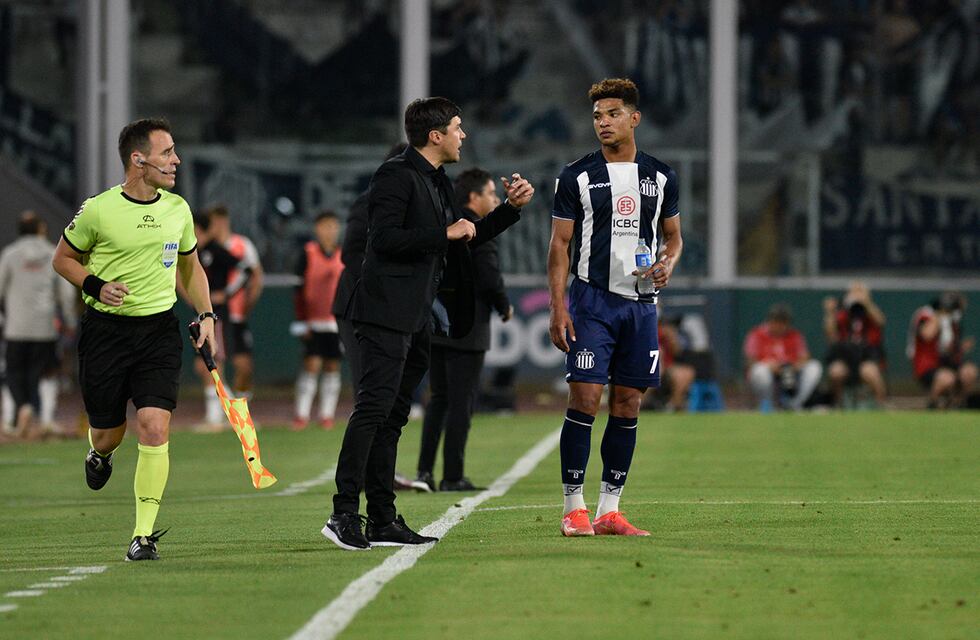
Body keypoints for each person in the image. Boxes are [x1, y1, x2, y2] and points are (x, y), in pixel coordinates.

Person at [324, 97, 534, 551]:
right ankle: (343, 513)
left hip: (417, 316)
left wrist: (509, 210)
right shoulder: (395, 175)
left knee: (393, 417)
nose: (464, 135)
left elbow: (466, 237)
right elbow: (384, 240)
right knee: (373, 410)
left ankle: (382, 518)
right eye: (457, 127)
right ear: (435, 135)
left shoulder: (437, 180)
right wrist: (444, 233)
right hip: (384, 313)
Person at [52, 118, 216, 561]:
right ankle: (99, 453)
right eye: (167, 153)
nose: (176, 160)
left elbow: (190, 268)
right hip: (105, 334)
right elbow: (62, 259)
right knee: (108, 434)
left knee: (155, 426)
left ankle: (142, 536)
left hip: (159, 332)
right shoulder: (98, 210)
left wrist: (206, 314)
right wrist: (95, 285)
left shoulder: (178, 209)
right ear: (138, 160)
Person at [548, 78, 682, 538]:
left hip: (641, 306)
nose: (603, 123)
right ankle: (573, 508)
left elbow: (673, 238)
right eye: (597, 116)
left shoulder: (661, 177)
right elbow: (559, 245)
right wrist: (558, 306)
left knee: (628, 403)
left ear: (634, 118)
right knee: (586, 396)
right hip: (592, 301)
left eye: (612, 114)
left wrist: (667, 264)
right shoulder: (577, 176)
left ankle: (609, 510)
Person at [415, 168, 514, 493]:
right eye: (490, 193)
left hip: (439, 323)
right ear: (474, 197)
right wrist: (503, 305)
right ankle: (453, 475)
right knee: (462, 402)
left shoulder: (446, 225)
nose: (495, 200)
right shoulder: (477, 230)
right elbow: (488, 275)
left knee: (438, 399)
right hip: (469, 327)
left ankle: (424, 471)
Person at [0, 211, 77, 438]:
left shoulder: (10, 254)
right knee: (46, 374)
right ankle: (46, 420)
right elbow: (66, 293)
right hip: (45, 328)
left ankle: (18, 412)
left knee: (13, 372)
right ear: (41, 229)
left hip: (16, 327)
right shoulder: (52, 253)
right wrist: (70, 320)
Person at [190, 208, 246, 431]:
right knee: (202, 365)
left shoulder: (215, 250)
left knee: (212, 363)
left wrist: (226, 292)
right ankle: (235, 413)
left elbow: (245, 269)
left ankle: (216, 418)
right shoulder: (194, 252)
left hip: (216, 316)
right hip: (202, 313)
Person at [292, 210, 344, 430]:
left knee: (332, 366)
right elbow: (298, 290)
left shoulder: (343, 255)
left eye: (333, 226)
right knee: (311, 365)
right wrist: (301, 320)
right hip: (313, 321)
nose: (329, 231)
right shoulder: (308, 253)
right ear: (317, 229)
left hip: (335, 322)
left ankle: (327, 415)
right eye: (325, 226)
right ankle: (301, 415)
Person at [208, 205, 263, 400]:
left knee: (244, 365)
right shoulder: (206, 248)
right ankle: (221, 408)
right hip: (215, 315)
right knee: (214, 364)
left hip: (237, 314)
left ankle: (241, 404)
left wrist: (249, 302)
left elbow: (255, 275)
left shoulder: (242, 244)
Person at [744, 304, 822, 411]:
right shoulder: (756, 334)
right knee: (760, 371)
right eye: (777, 321)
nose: (780, 325)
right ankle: (768, 405)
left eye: (783, 322)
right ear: (770, 321)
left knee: (814, 366)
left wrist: (791, 367)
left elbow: (804, 357)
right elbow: (750, 360)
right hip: (767, 374)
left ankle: (794, 404)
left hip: (790, 375)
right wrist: (768, 364)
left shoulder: (794, 335)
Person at [909, 291, 977, 409]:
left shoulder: (952, 322)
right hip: (927, 364)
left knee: (969, 371)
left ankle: (958, 404)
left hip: (946, 362)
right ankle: (932, 404)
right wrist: (940, 315)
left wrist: (961, 347)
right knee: (947, 378)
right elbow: (927, 335)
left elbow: (949, 348)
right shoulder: (926, 314)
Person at [823, 281, 887, 407]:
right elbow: (831, 335)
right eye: (853, 292)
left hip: (866, 357)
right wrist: (830, 313)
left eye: (859, 292)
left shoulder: (870, 312)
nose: (856, 295)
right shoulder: (843, 313)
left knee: (870, 372)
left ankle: (882, 405)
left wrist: (866, 302)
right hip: (846, 357)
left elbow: (881, 321)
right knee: (836, 371)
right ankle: (838, 406)